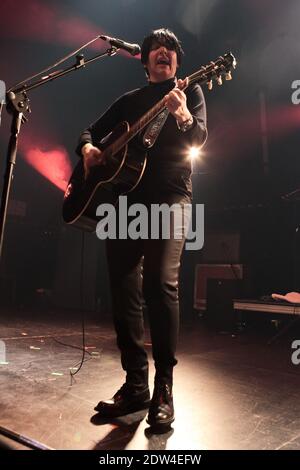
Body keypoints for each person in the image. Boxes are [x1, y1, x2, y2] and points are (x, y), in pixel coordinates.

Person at [76, 28, 207, 427]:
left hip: (171, 198)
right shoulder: (128, 102)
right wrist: (88, 149)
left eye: (169, 49)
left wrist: (183, 115)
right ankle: (136, 385)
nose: (162, 52)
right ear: (145, 60)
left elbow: (200, 137)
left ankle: (164, 387)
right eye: (155, 48)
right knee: (121, 287)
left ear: (177, 62)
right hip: (125, 202)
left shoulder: (191, 93)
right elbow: (88, 131)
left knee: (160, 285)